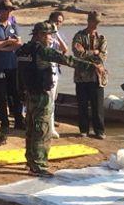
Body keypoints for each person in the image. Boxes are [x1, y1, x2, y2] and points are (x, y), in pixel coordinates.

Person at [16, 22, 103, 176]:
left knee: (30, 128)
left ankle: (30, 160)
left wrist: (21, 94)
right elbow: (68, 60)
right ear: (41, 35)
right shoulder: (42, 51)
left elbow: (19, 74)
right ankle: (39, 165)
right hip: (42, 95)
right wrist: (92, 66)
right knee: (42, 130)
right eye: (49, 35)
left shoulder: (24, 49)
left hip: (29, 94)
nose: (51, 38)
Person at [0, 0, 24, 144]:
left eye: (10, 10)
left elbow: (18, 43)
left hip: (12, 65)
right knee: (1, 96)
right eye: (6, 10)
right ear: (0, 11)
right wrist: (8, 42)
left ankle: (19, 121)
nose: (9, 13)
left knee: (15, 94)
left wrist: (2, 46)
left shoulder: (13, 25)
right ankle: (5, 123)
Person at [72, 11, 107, 139]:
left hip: (97, 76)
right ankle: (84, 130)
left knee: (98, 106)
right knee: (82, 105)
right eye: (95, 22)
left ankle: (99, 131)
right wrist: (95, 52)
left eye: (98, 22)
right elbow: (77, 53)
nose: (97, 25)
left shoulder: (101, 38)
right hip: (81, 76)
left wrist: (89, 53)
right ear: (89, 21)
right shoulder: (79, 36)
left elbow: (103, 56)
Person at [47, 11, 68, 139]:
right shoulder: (42, 32)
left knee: (52, 100)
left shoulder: (59, 35)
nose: (57, 23)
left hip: (54, 71)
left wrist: (56, 34)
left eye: (60, 22)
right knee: (44, 100)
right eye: (55, 21)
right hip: (42, 70)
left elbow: (65, 50)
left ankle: (51, 127)